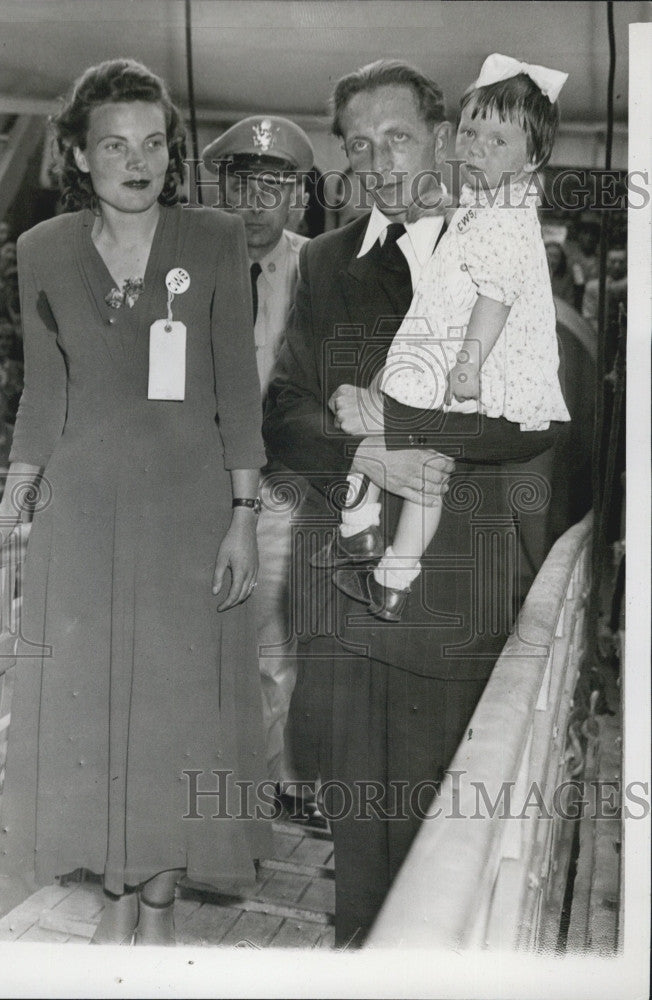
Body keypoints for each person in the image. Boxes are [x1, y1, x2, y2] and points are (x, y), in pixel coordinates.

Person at [0, 59, 271, 947]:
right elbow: (41, 399)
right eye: (115, 146)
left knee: (172, 721)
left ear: (173, 153)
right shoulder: (42, 250)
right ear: (79, 158)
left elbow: (236, 388)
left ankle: (154, 912)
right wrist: (15, 503)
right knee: (97, 716)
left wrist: (243, 515)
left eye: (155, 144)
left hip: (190, 520)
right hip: (83, 521)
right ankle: (114, 905)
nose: (139, 161)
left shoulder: (214, 238)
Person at [263, 58, 562, 947]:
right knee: (360, 863)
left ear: (443, 137)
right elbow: (283, 414)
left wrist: (402, 436)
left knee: (447, 847)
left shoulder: (505, 245)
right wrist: (366, 456)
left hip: (455, 602)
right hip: (347, 599)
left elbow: (533, 419)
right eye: (359, 144)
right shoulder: (323, 261)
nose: (379, 158)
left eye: (397, 135)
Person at [320, 55, 571, 621]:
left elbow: (496, 296)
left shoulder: (509, 215)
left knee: (390, 416)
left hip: (473, 356)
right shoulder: (493, 200)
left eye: (497, 140)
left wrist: (470, 362)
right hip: (447, 345)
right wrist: (446, 202)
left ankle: (365, 531)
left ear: (532, 158)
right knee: (411, 440)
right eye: (472, 131)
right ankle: (391, 570)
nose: (478, 147)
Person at [201, 116, 325, 823]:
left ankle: (281, 783)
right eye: (242, 183)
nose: (254, 201)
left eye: (273, 185)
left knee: (278, 637)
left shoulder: (322, 269)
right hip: (196, 483)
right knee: (197, 634)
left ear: (298, 198)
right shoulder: (182, 267)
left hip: (280, 483)